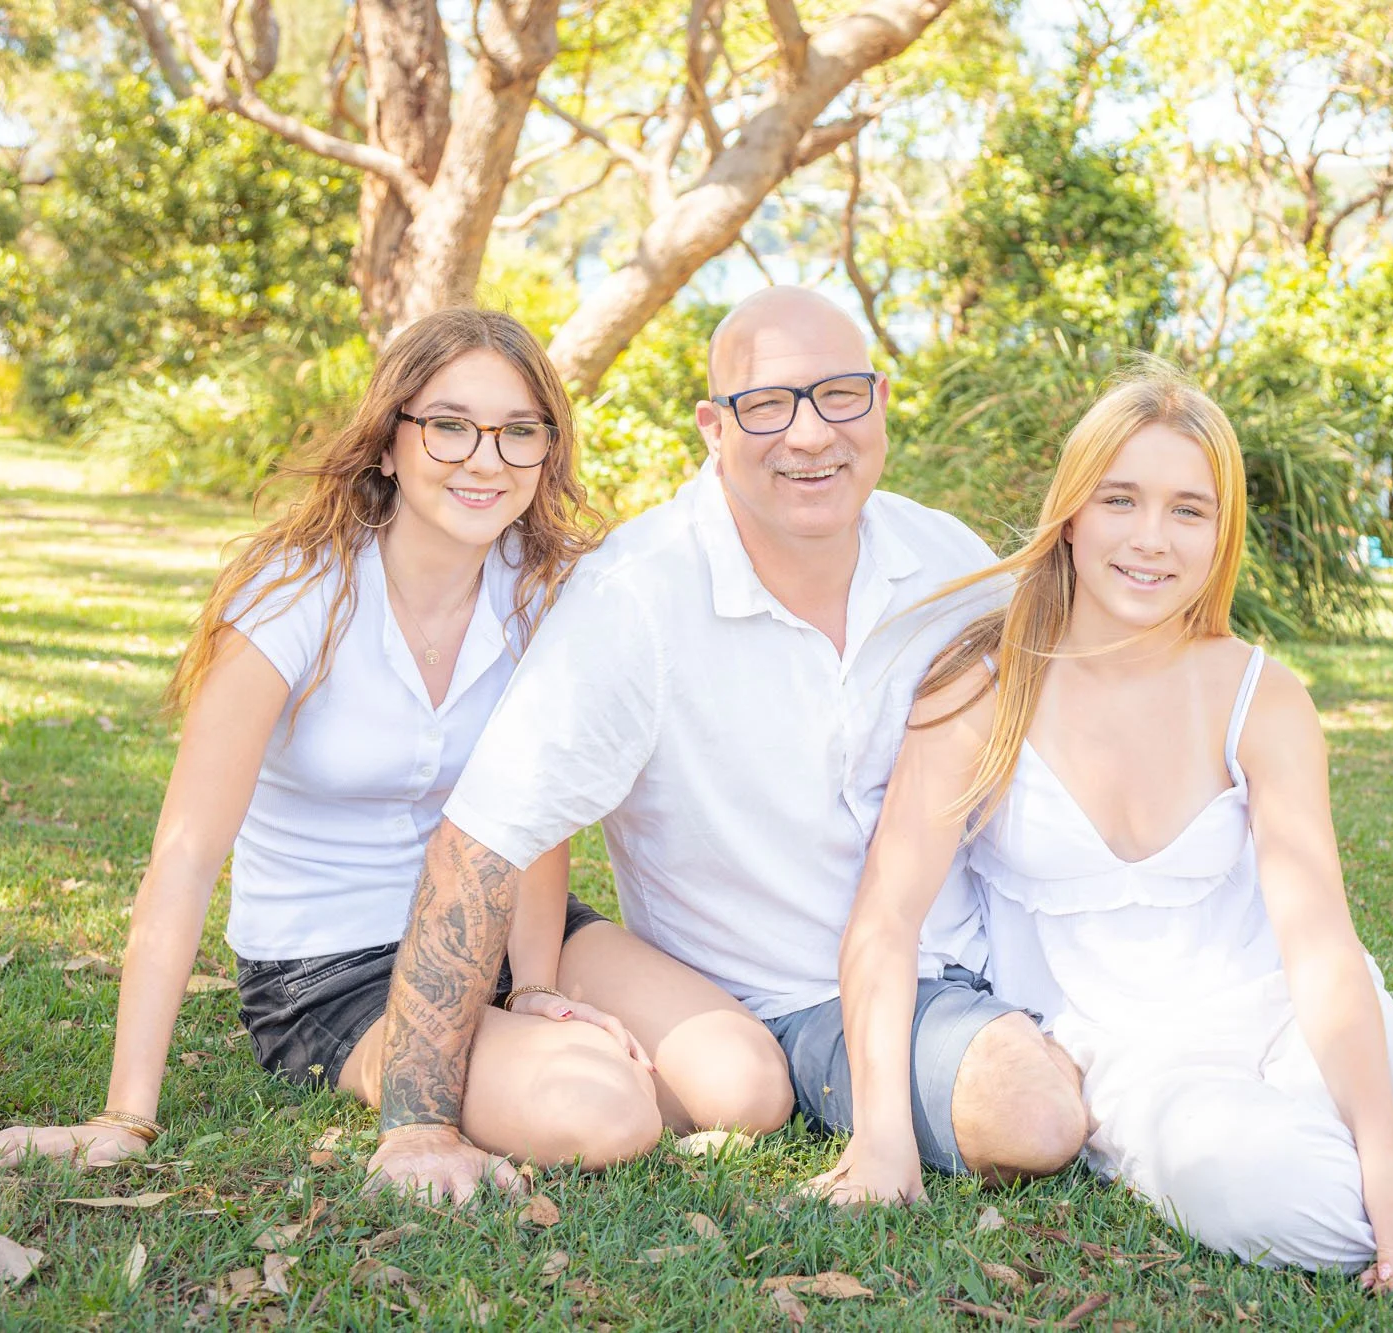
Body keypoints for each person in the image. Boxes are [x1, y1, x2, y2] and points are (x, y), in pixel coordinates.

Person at [823, 368, 1393, 1283]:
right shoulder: (981, 689)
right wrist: (881, 1135)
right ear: (1072, 512)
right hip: (1138, 1063)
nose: (1149, 539)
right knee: (1277, 1194)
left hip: (1292, 1019)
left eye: (1188, 510)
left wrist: (1385, 1150)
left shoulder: (1263, 693)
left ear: (1221, 532)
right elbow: (885, 923)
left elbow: (1320, 941)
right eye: (1120, 498)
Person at [363, 286, 1090, 1205]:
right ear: (714, 427)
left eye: (839, 396)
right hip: (798, 995)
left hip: (996, 949)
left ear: (881, 401)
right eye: (767, 404)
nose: (811, 434)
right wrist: (419, 1122)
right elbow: (484, 839)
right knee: (1032, 1113)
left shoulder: (945, 559)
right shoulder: (638, 596)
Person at [0, 309, 664, 1173]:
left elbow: (534, 815)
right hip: (336, 966)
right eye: (450, 427)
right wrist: (122, 1117)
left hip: (502, 928)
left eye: (520, 432)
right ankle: (506, 1059)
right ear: (387, 443)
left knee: (744, 1083)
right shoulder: (294, 595)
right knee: (604, 1115)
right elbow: (184, 859)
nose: (486, 459)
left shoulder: (541, 591)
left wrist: (541, 986)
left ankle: (513, 1038)